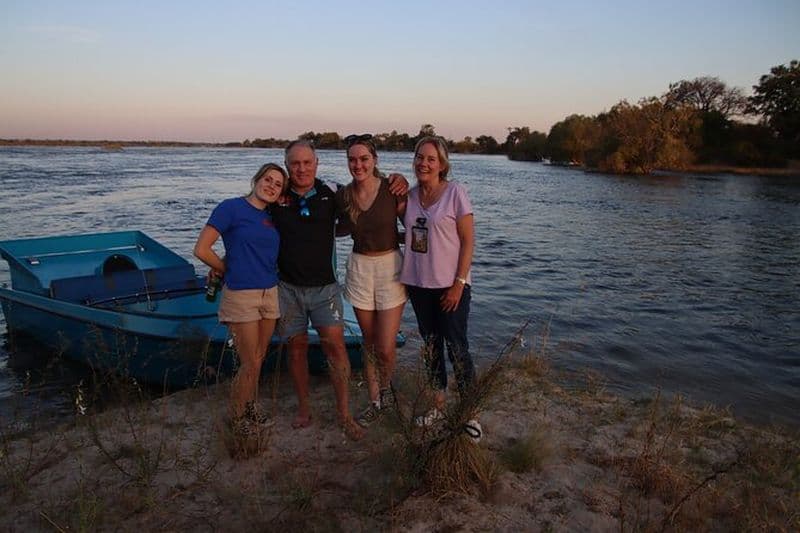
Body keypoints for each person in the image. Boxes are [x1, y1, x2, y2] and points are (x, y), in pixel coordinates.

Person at [271, 140, 406, 440]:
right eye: (295, 164)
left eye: (307, 162)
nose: (302, 169)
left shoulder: (332, 192)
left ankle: (345, 415)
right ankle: (304, 409)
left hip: (325, 289)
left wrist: (400, 179)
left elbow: (351, 222)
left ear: (317, 163)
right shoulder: (276, 195)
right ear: (287, 166)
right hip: (288, 288)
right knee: (295, 351)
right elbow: (253, 227)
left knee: (337, 349)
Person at [194, 163, 288, 434]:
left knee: (258, 356)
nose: (271, 186)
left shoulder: (271, 215)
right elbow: (202, 249)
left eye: (278, 184)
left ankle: (250, 407)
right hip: (241, 295)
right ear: (256, 179)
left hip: (270, 293)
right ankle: (237, 419)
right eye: (267, 179)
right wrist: (226, 269)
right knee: (249, 361)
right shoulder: (231, 208)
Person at [400, 136, 480, 438]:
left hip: (451, 285)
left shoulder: (456, 193)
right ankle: (437, 403)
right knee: (431, 347)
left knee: (457, 348)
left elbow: (468, 241)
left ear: (442, 164)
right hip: (419, 285)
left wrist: (459, 284)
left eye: (431, 158)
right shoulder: (408, 197)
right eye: (420, 157)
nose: (424, 163)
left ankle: (470, 413)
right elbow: (408, 233)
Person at [335, 134, 407, 428]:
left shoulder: (393, 189)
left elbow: (416, 226)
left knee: (386, 346)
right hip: (360, 269)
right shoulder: (343, 195)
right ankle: (376, 401)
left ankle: (388, 394)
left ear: (374, 160)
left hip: (391, 268)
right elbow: (337, 228)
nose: (358, 164)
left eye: (364, 158)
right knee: (369, 342)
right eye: (352, 159)